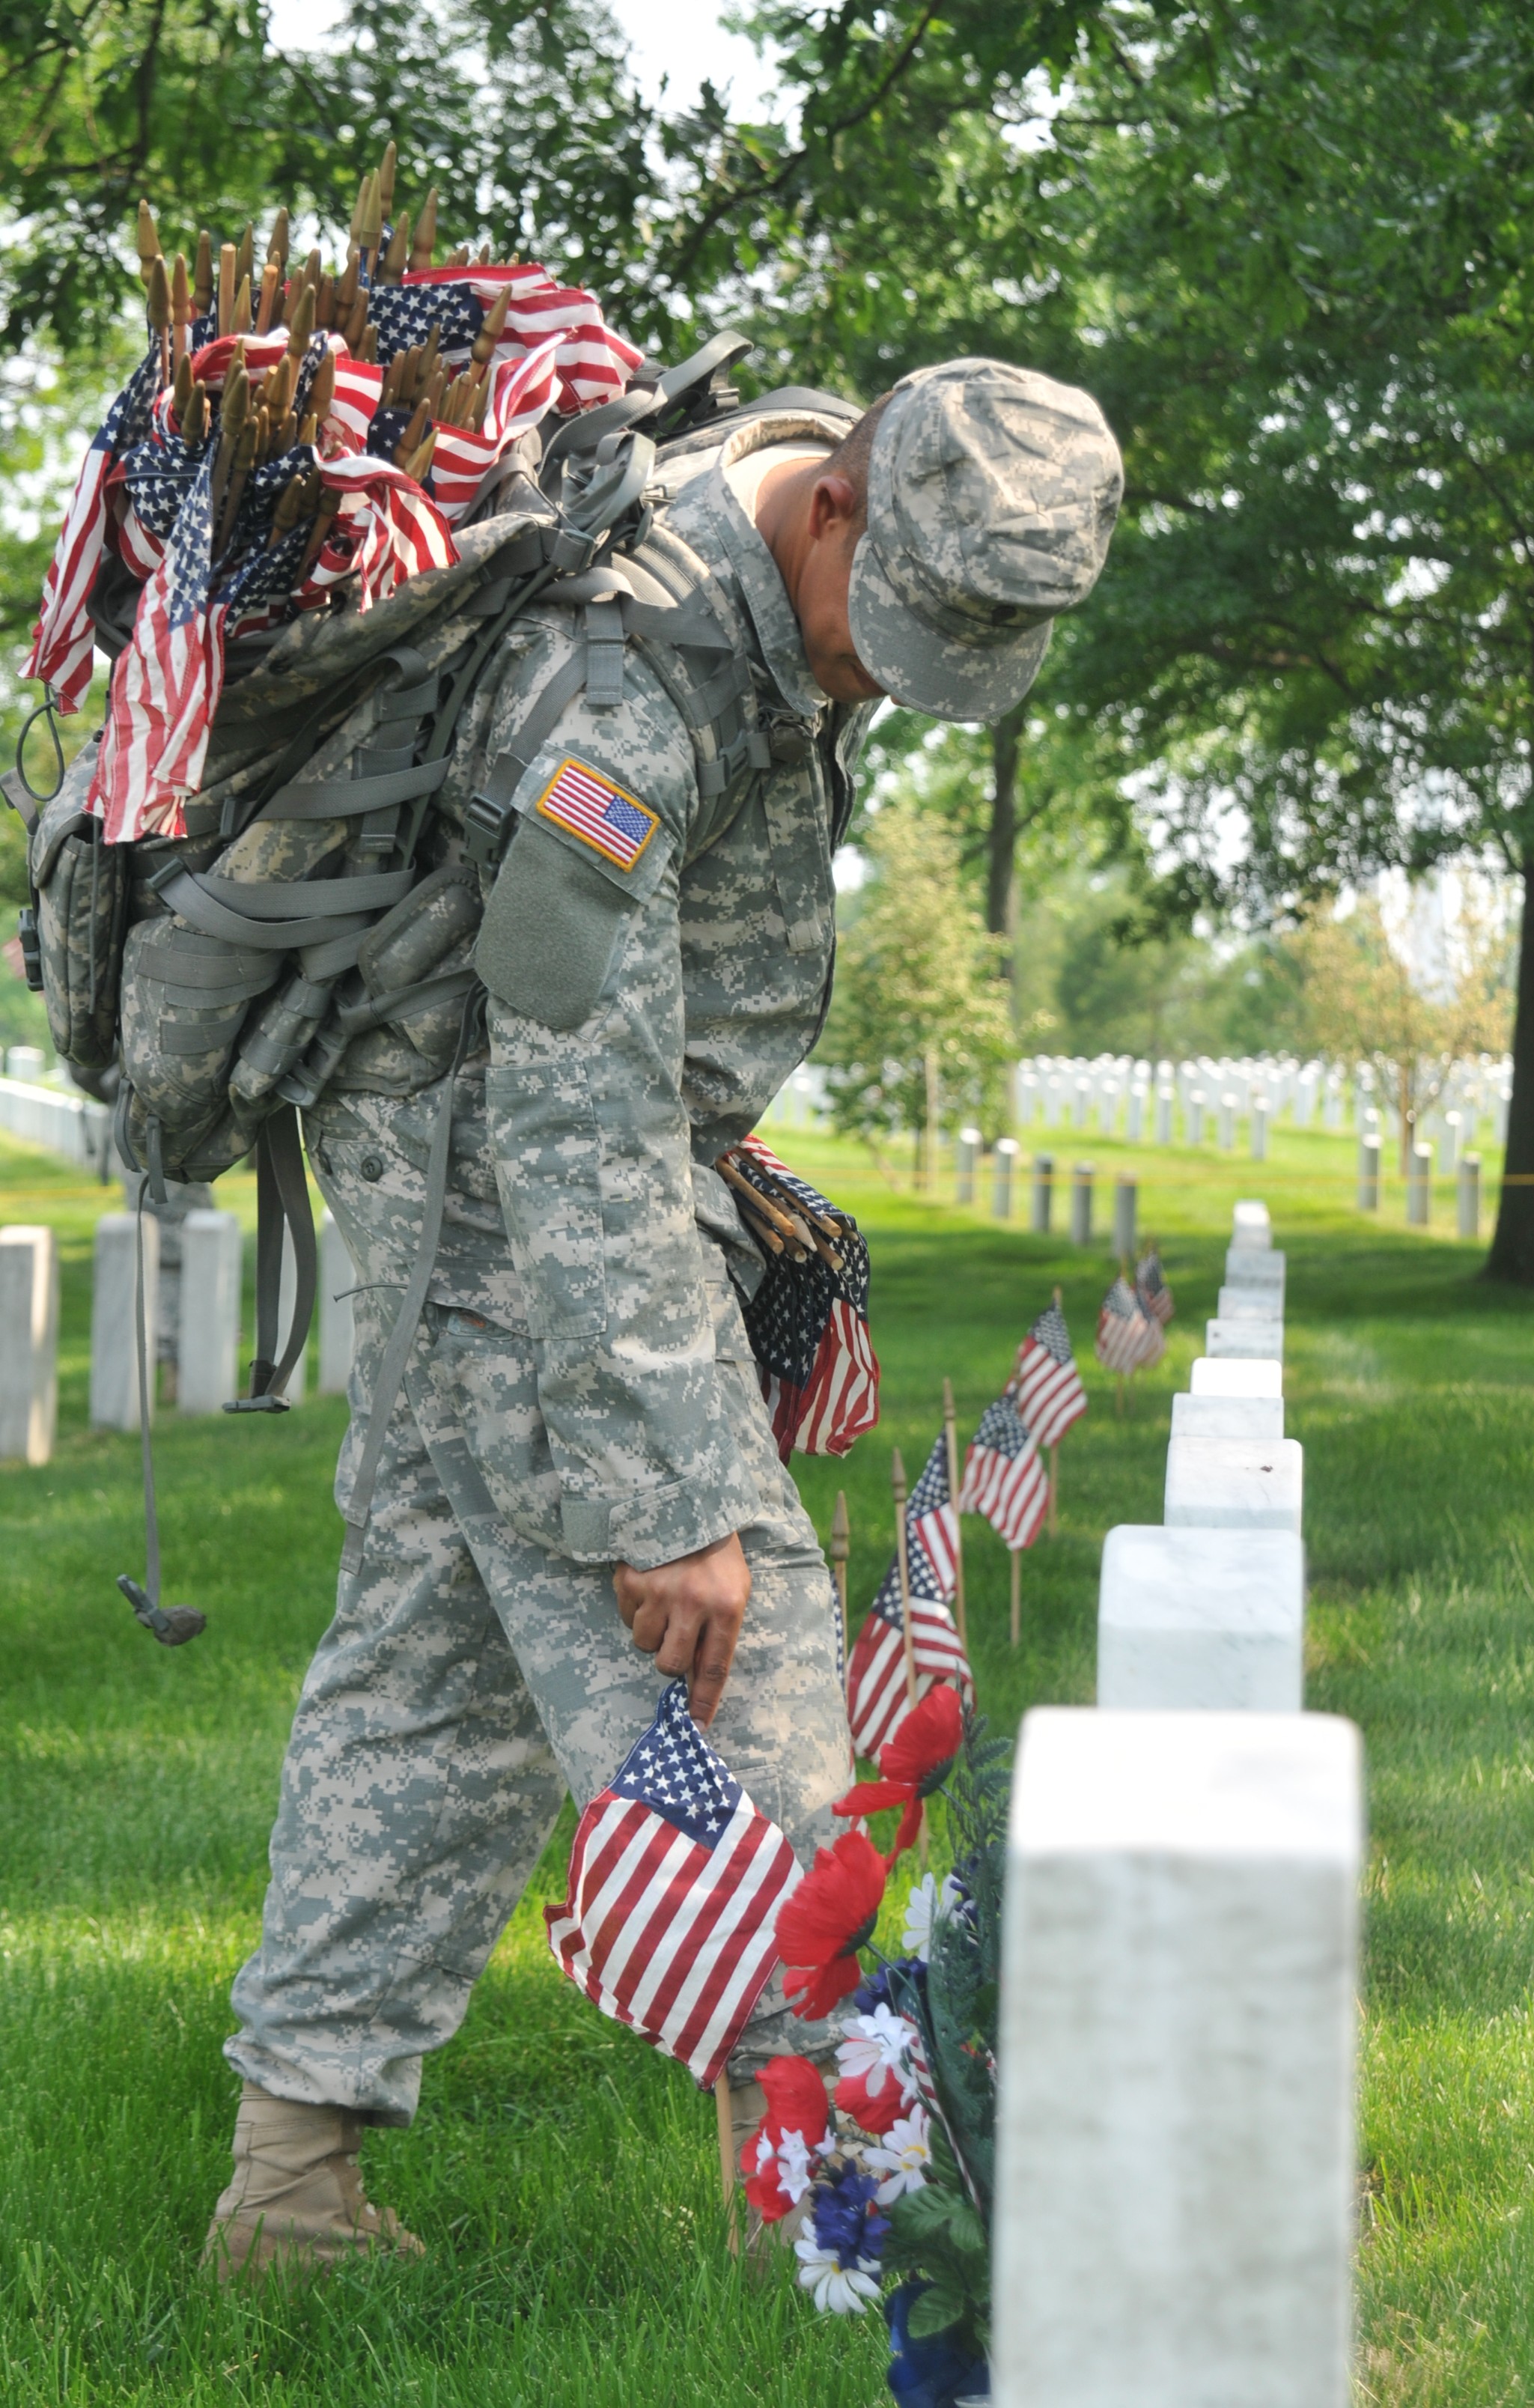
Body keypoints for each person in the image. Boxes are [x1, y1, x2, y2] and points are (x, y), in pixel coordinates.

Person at [207, 356, 1123, 2277]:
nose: (884, 679)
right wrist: (668, 1491)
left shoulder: (796, 568)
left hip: (566, 1152)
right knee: (752, 1670)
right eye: (886, 636)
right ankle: (857, 2233)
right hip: (500, 1177)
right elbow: (569, 1099)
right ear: (840, 506)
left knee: (431, 1668)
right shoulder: (619, 689)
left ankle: (289, 2197)